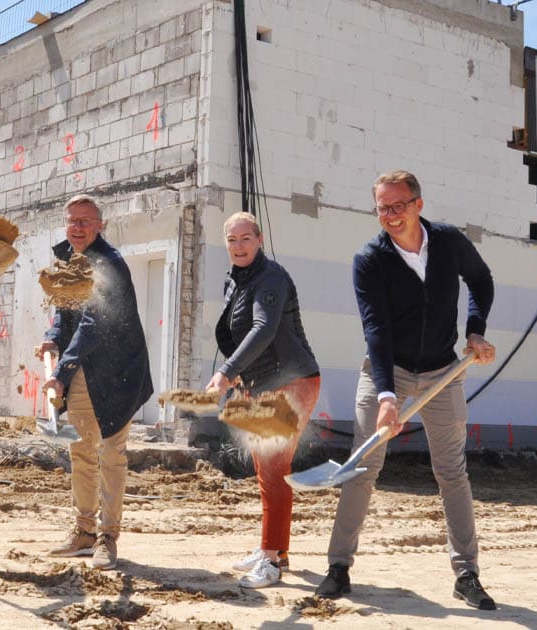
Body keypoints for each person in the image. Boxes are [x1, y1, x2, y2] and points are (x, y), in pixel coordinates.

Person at [316, 170, 498, 610]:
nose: (391, 215)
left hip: (443, 372)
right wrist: (385, 398)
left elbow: (482, 280)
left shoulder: (449, 242)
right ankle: (338, 567)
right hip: (388, 372)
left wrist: (475, 331)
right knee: (362, 468)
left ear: (419, 204)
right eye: (383, 207)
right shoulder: (370, 260)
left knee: (452, 472)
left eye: (399, 205)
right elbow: (376, 330)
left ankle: (466, 573)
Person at [35, 194, 153, 571]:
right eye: (72, 221)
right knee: (82, 451)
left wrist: (60, 371)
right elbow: (64, 311)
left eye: (85, 221)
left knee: (111, 454)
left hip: (117, 373)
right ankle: (84, 531)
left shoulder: (110, 264)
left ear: (100, 225)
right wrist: (54, 337)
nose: (78, 227)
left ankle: (108, 537)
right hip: (83, 370)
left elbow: (94, 323)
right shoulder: (68, 260)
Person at [205, 212, 321, 589]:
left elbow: (264, 328)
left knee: (272, 469)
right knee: (266, 470)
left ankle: (271, 562)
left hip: (293, 382)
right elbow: (244, 335)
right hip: (263, 385)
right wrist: (240, 375)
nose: (239, 247)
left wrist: (225, 372)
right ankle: (274, 548)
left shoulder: (272, 277)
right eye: (232, 240)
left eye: (246, 239)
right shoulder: (237, 282)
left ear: (260, 240)